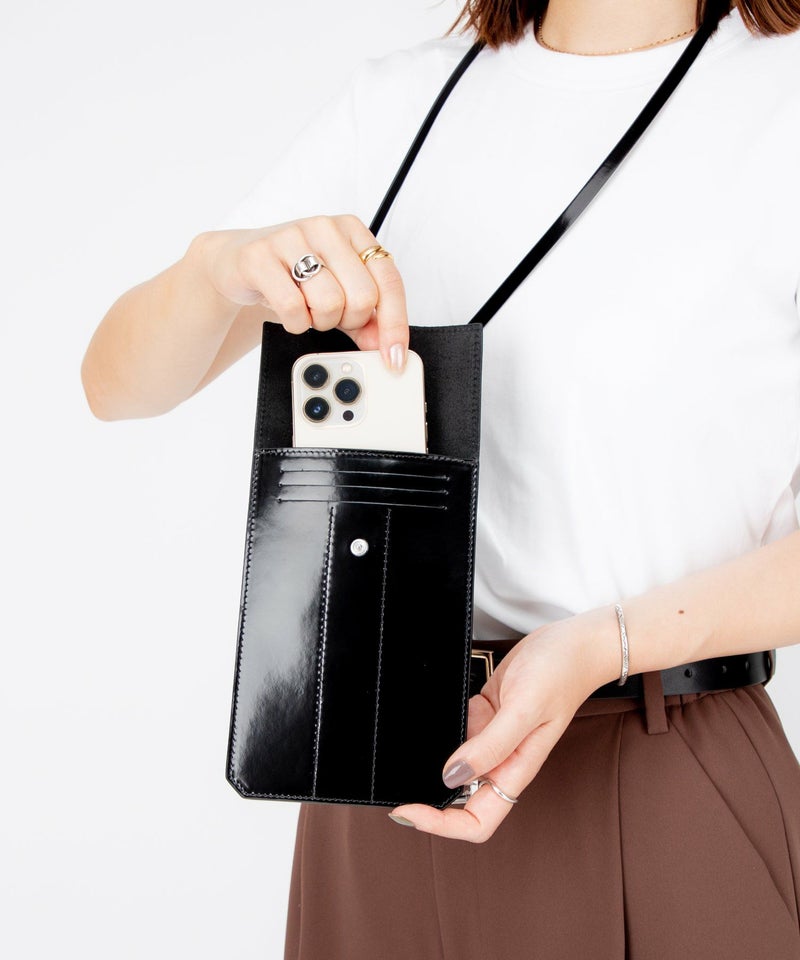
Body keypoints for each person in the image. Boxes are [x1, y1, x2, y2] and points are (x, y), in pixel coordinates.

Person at [81, 0, 800, 956]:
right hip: (372, 775)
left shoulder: (778, 98)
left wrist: (605, 644)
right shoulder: (404, 100)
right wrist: (216, 268)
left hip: (662, 767)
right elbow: (114, 386)